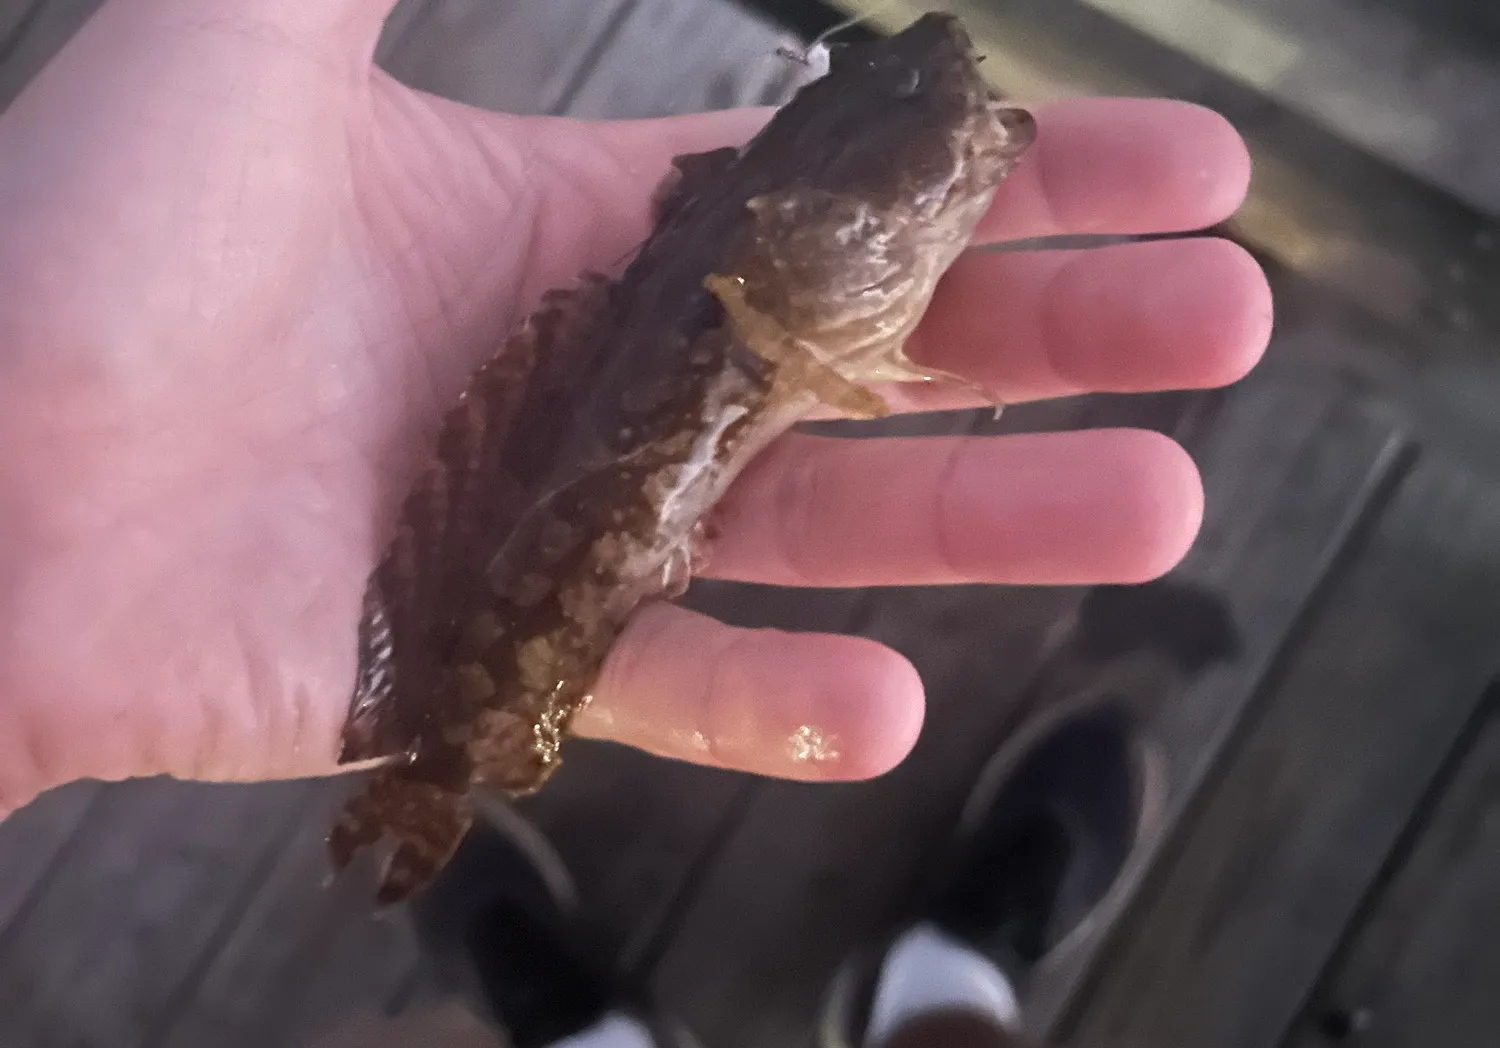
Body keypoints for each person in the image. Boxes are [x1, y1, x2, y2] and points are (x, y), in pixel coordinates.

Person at [0, 0, 1269, 1041]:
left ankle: (598, 1026)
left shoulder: (769, 254)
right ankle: (940, 991)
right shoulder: (774, 260)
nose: (963, 140)